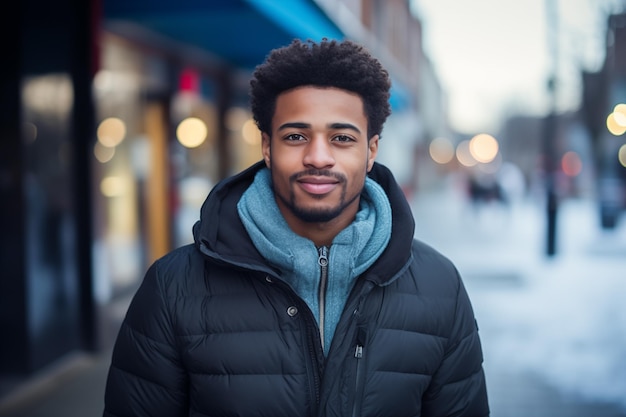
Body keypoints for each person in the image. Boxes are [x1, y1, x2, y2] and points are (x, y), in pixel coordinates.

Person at [103, 38, 490, 417]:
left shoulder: (440, 286)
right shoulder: (173, 288)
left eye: (341, 138)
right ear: (267, 147)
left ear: (371, 150)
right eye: (295, 136)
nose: (318, 157)